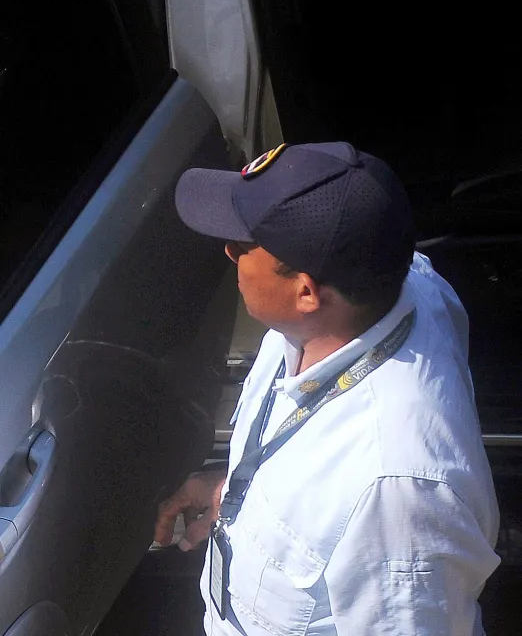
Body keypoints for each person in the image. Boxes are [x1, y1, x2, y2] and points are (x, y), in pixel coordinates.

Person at [154, 142, 501, 635]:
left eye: (240, 246)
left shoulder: (395, 490)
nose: (227, 253)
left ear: (307, 292)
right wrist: (236, 492)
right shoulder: (408, 283)